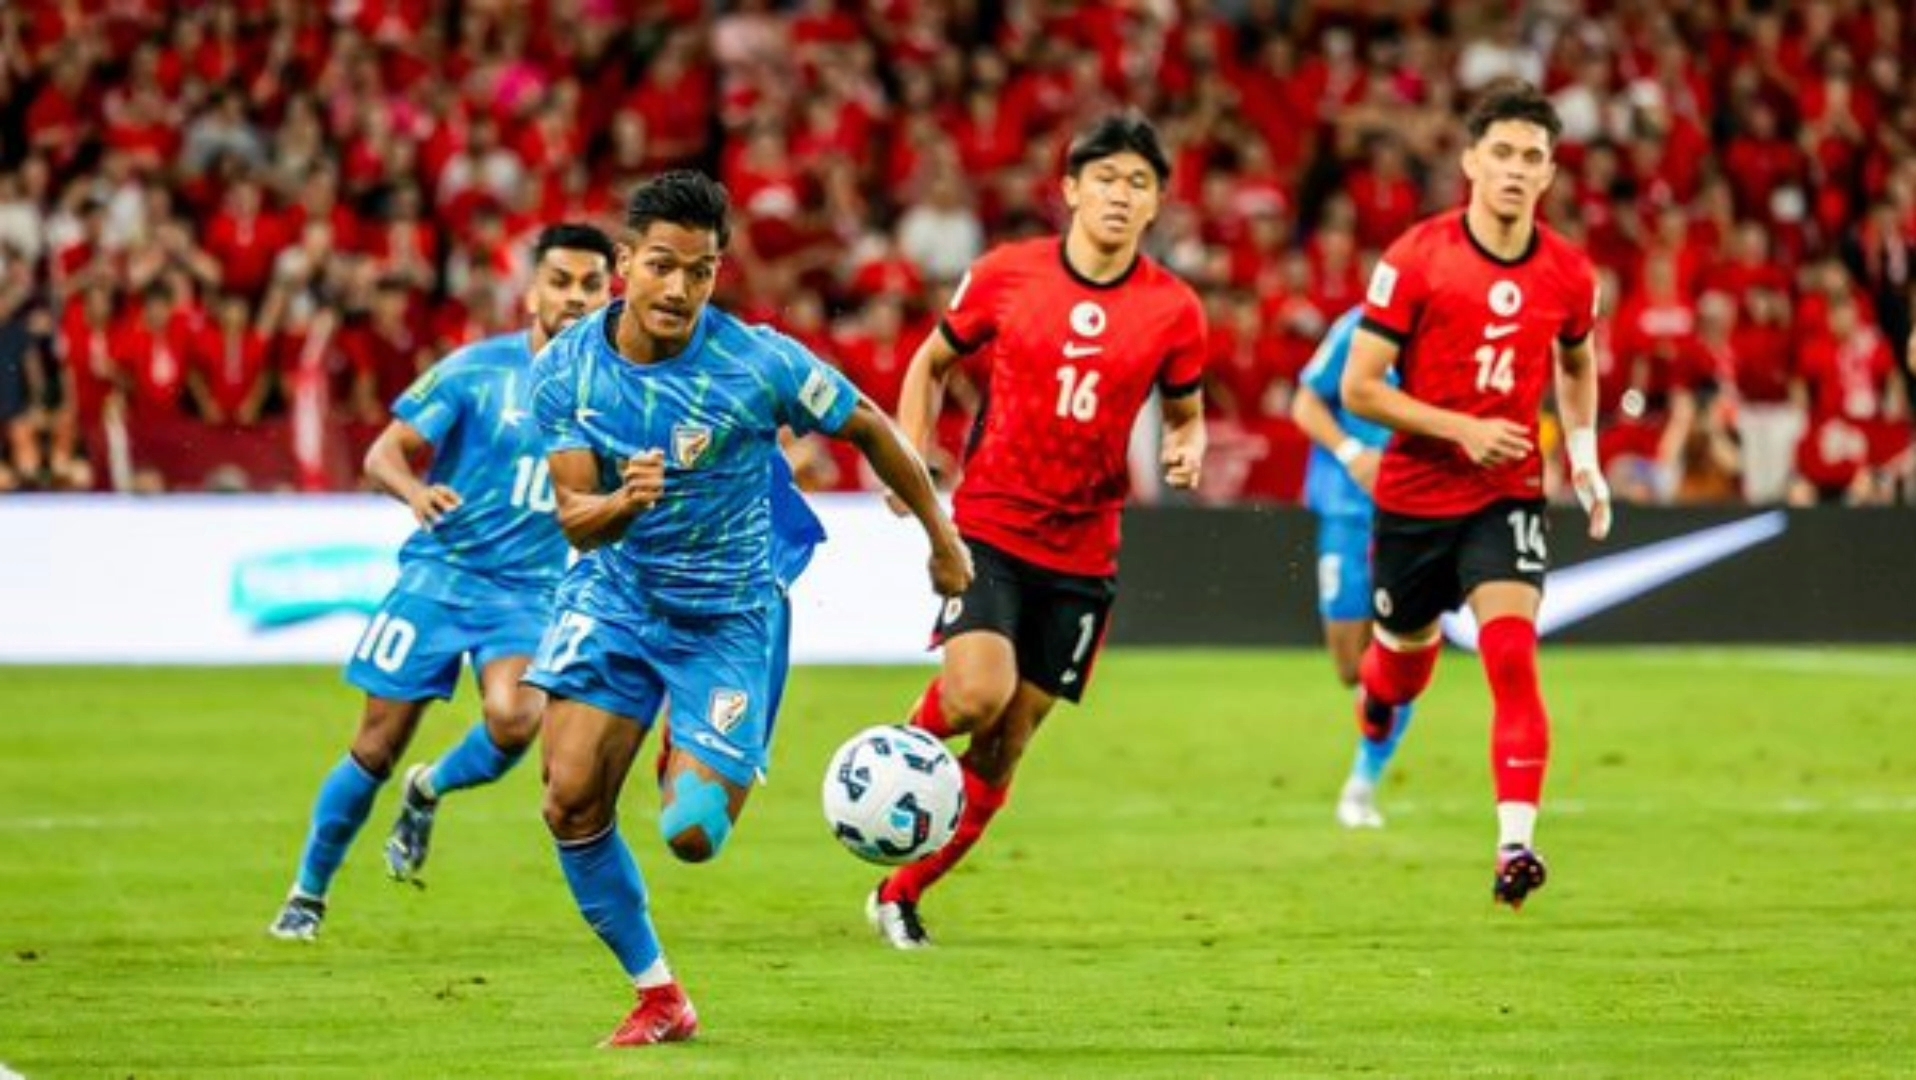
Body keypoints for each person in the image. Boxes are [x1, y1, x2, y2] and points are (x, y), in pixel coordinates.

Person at [525, 171, 971, 1048]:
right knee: (569, 801)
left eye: (701, 271)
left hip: (727, 618)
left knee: (692, 836)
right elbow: (577, 521)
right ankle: (661, 996)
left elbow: (873, 427)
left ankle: (683, 737)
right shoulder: (565, 371)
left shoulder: (756, 363)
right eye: (662, 266)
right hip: (615, 596)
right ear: (625, 264)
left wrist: (941, 537)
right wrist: (625, 506)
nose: (680, 290)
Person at [867, 112, 1209, 949]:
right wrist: (915, 461)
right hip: (988, 527)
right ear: (1070, 191)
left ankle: (899, 892)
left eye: (1138, 184)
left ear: (1158, 202)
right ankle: (884, 767)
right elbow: (929, 363)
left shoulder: (1175, 310)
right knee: (977, 693)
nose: (1120, 196)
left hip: (1086, 551)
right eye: (1105, 180)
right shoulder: (1005, 275)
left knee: (1004, 741)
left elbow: (1188, 410)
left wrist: (1185, 444)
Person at [268, 224, 617, 941]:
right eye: (560, 281)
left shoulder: (619, 394)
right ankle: (308, 893)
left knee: (516, 720)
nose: (575, 296)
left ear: (611, 294)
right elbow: (383, 453)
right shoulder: (476, 371)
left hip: (527, 594)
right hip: (441, 576)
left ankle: (429, 789)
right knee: (374, 745)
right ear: (532, 293)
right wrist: (415, 493)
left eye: (590, 284)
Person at [1340, 80, 1612, 910]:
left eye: (1533, 157)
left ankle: (1515, 846)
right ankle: (1369, 745)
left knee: (1512, 657)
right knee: (1397, 673)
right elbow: (1360, 388)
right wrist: (1458, 427)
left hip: (1506, 494)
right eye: (1502, 153)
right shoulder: (1417, 257)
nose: (1516, 170)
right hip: (1417, 495)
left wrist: (1587, 457)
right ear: (1469, 162)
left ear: (1551, 174)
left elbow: (1576, 359)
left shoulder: (1568, 273)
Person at [1290, 307, 1414, 829]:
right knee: (1350, 666)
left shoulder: (1453, 332)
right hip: (1348, 509)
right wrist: (1351, 451)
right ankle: (1380, 712)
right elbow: (1305, 401)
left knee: (1401, 648)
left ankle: (1362, 782)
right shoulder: (1361, 325)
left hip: (1415, 515)